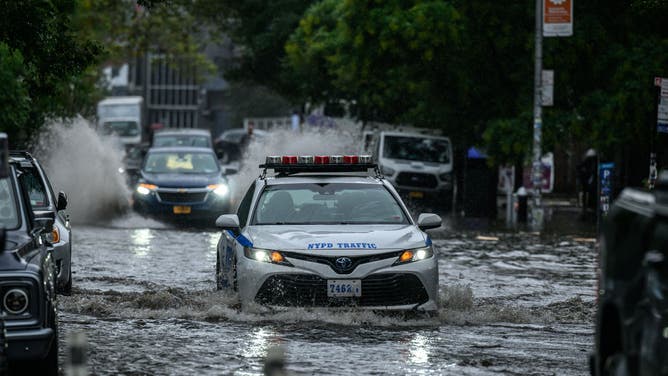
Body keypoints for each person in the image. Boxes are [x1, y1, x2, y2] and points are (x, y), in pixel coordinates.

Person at [577, 149, 597, 219]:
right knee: (585, 194)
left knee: (586, 194)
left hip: (587, 181)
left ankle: (585, 209)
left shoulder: (591, 161)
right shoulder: (588, 162)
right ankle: (585, 209)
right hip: (586, 180)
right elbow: (580, 168)